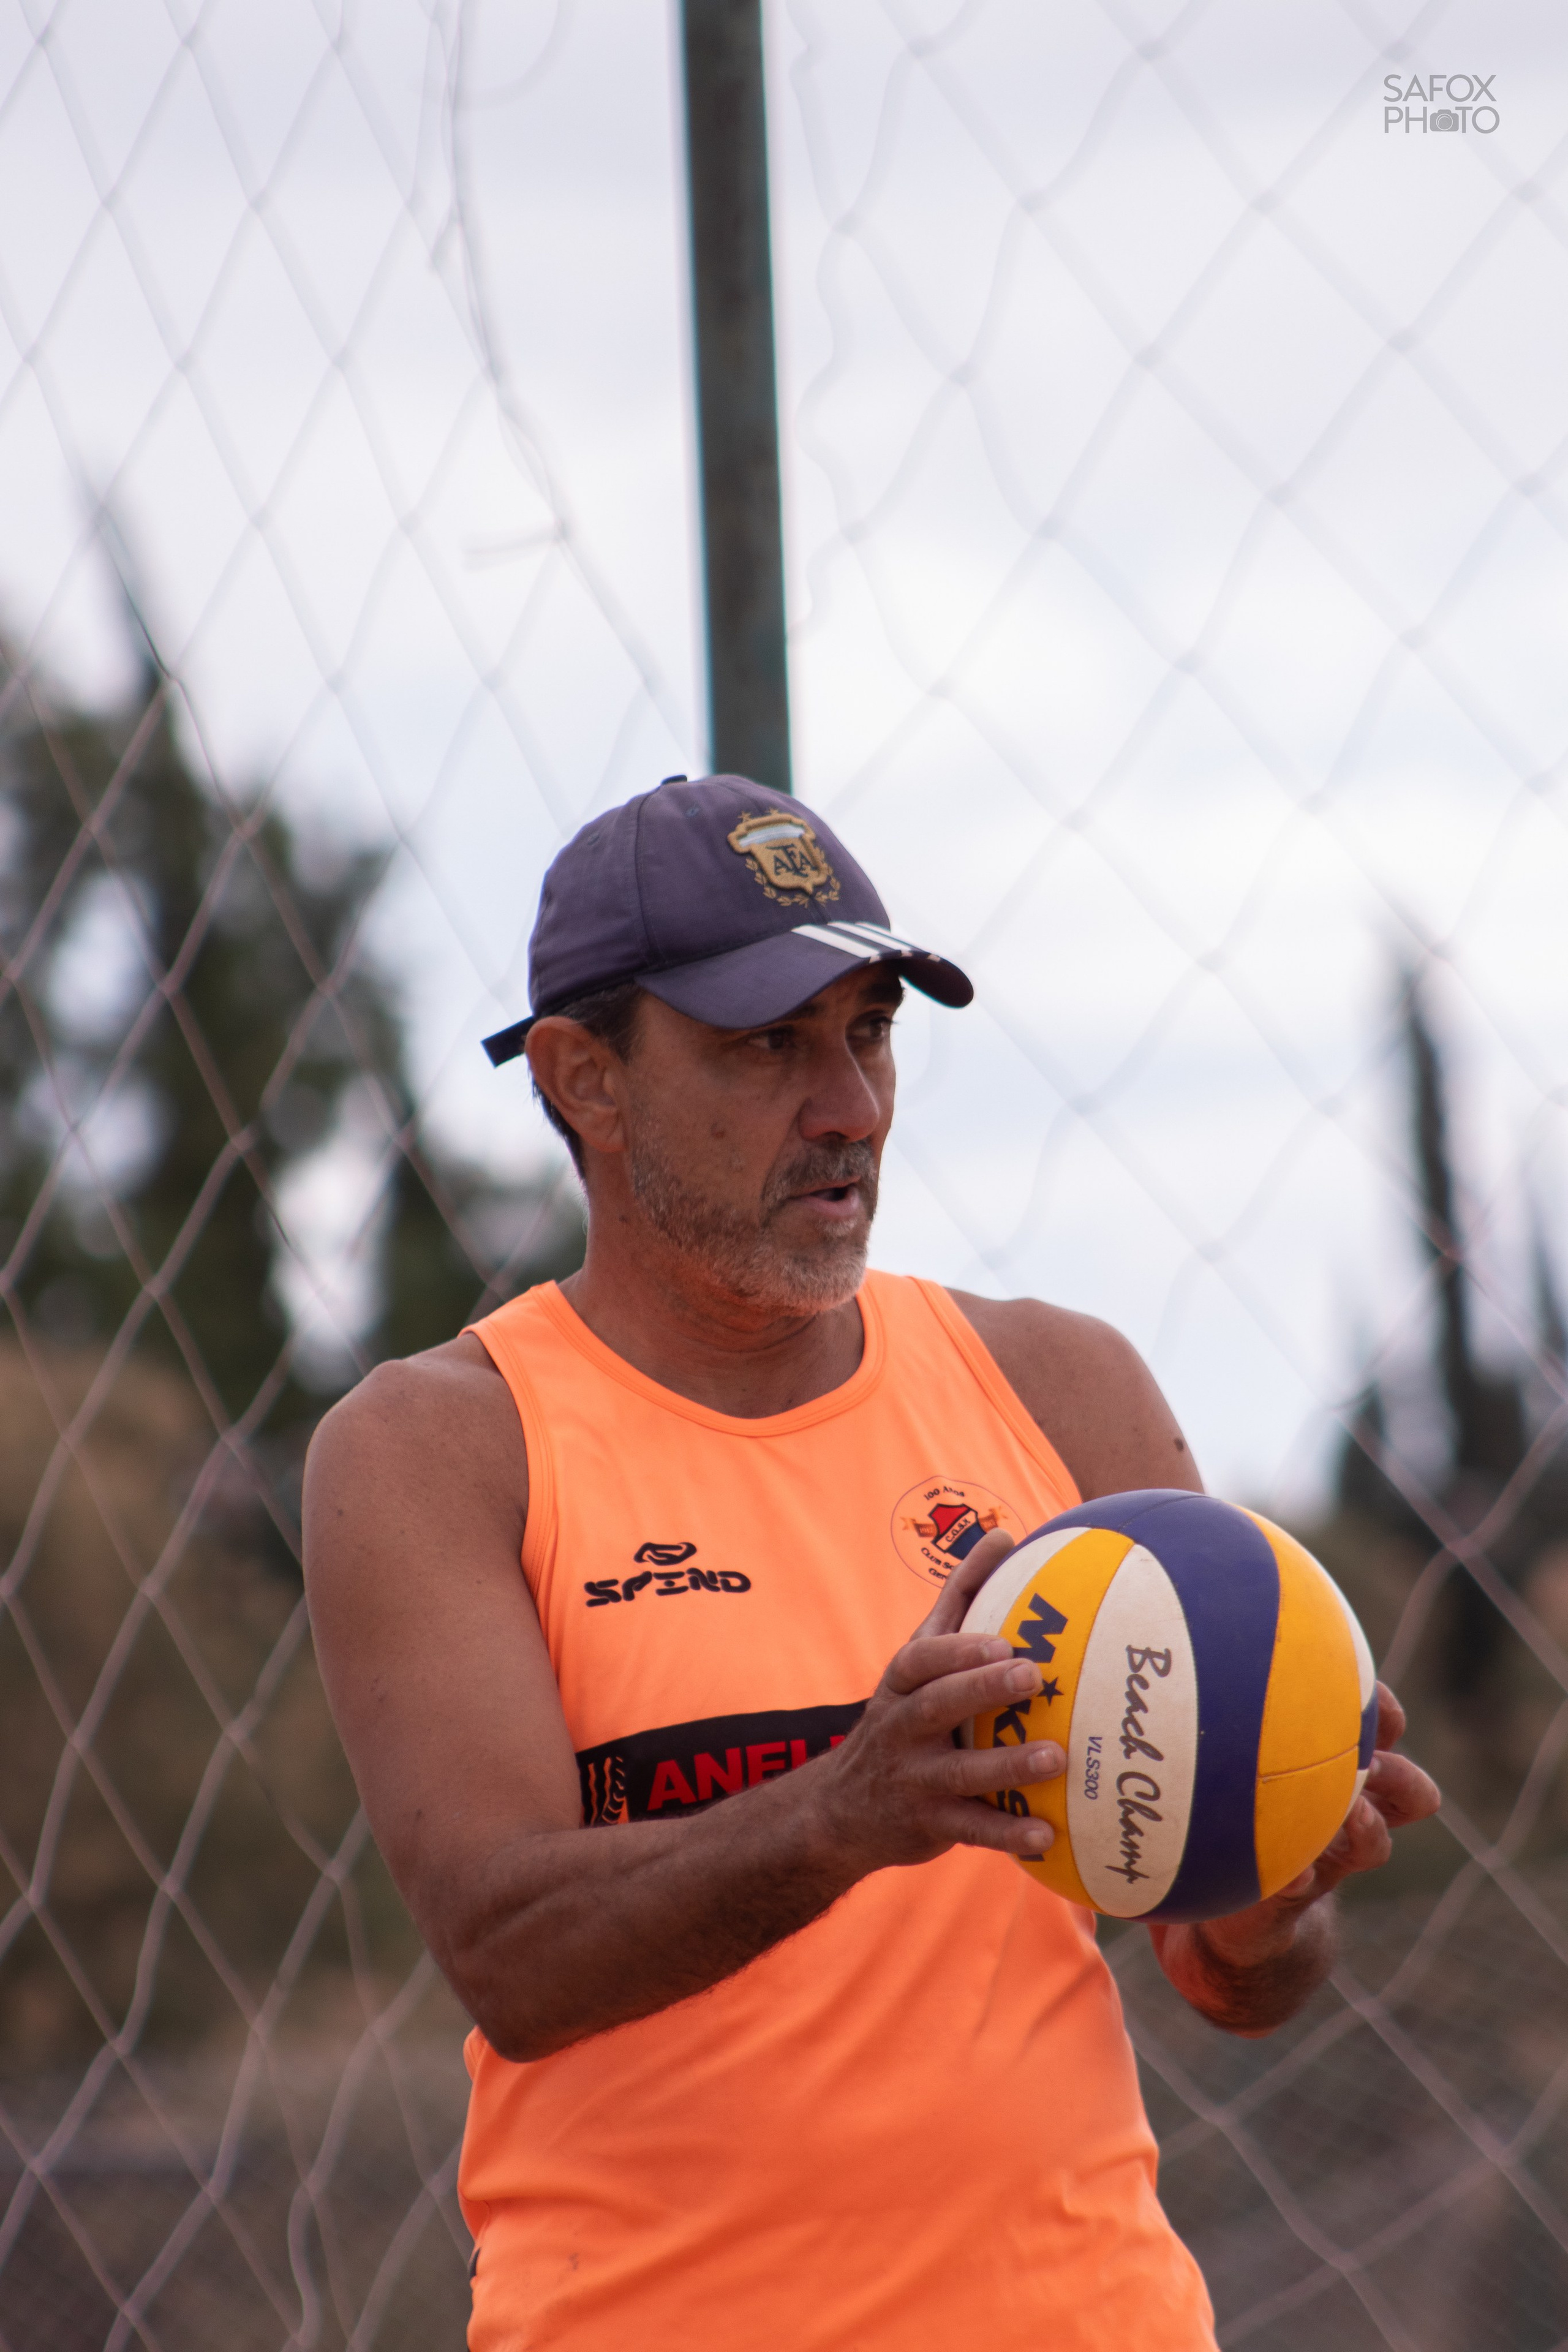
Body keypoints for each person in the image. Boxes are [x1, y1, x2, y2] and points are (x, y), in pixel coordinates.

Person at [303, 774, 1439, 2352]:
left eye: (870, 1032)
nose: (849, 1105)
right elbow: (515, 1955)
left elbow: (1228, 1978)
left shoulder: (1059, 1386)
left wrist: (1267, 1884)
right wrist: (844, 1812)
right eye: (766, 1044)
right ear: (585, 1080)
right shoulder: (440, 1449)